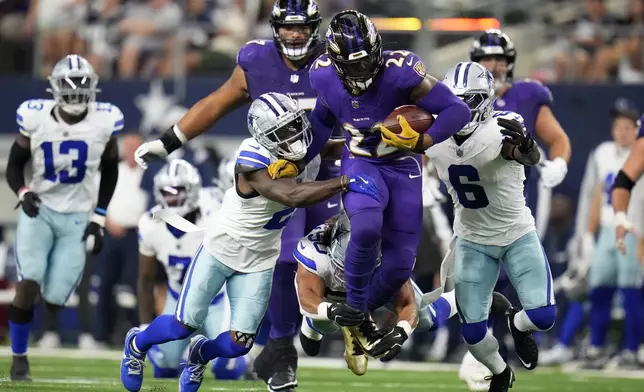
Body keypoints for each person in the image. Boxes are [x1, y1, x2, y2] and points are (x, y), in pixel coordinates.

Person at [129, 1, 337, 388]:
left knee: (339, 253)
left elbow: (361, 111)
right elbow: (215, 103)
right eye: (288, 28)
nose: (295, 35)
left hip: (326, 167)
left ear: (315, 28)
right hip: (282, 182)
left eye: (302, 27)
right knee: (288, 260)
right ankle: (282, 351)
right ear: (275, 28)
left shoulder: (332, 61)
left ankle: (313, 327)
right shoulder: (256, 63)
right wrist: (169, 141)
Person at [120, 92, 379, 392]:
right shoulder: (251, 157)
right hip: (222, 249)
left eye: (295, 124)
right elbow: (290, 195)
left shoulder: (298, 147)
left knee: (238, 344)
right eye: (284, 131)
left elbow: (328, 149)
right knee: (182, 325)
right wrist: (345, 181)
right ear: (264, 135)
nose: (295, 135)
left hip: (260, 259)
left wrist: (361, 143)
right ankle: (136, 344)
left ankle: (200, 354)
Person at [269, 10, 470, 353]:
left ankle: (356, 313)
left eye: (366, 62)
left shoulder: (400, 71)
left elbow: (457, 111)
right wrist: (300, 160)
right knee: (364, 228)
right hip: (361, 163)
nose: (361, 71)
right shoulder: (324, 77)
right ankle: (357, 310)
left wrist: (424, 141)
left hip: (403, 165)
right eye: (352, 64)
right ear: (335, 61)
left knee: (399, 265)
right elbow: (321, 122)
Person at [427, 62, 555, 392]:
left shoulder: (502, 130)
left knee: (542, 316)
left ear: (484, 101)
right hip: (472, 240)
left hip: (515, 234)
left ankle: (517, 322)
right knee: (473, 334)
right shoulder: (434, 138)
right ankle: (500, 371)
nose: (457, 110)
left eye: (466, 101)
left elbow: (526, 154)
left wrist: (528, 148)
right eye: (451, 101)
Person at [461, 28, 572, 388]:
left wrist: (560, 163)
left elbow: (558, 139)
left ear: (510, 63)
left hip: (514, 206)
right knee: (474, 285)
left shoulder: (526, 95)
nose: (493, 65)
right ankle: (482, 355)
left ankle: (517, 328)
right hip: (475, 210)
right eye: (486, 59)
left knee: (527, 294)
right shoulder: (459, 97)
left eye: (499, 59)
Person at [5, 54, 122, 381]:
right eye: (69, 87)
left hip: (75, 218)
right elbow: (14, 165)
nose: (75, 94)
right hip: (39, 211)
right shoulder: (35, 118)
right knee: (28, 283)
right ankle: (19, 358)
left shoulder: (105, 121)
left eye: (82, 86)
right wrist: (23, 192)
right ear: (53, 89)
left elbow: (111, 169)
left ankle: (45, 322)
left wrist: (99, 217)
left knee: (55, 297)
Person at [295, 213, 512, 372]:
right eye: (347, 266)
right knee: (322, 322)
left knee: (427, 319)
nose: (353, 275)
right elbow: (306, 295)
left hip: (376, 286)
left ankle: (473, 297)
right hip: (331, 293)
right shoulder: (315, 249)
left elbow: (407, 304)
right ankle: (313, 326)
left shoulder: (391, 256)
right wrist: (330, 310)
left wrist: (400, 333)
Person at [138, 159, 230, 378]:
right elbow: (145, 278)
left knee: (228, 366)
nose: (172, 197)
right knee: (164, 366)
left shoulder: (216, 211)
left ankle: (243, 358)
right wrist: (144, 325)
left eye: (178, 190)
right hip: (178, 300)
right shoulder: (150, 224)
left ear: (192, 189)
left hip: (216, 299)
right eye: (166, 191)